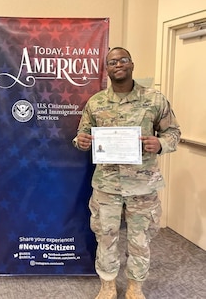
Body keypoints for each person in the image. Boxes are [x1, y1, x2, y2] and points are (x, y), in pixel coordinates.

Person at [73, 47, 181, 299]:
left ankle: (135, 285)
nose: (118, 64)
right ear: (107, 69)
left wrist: (161, 144)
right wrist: (81, 141)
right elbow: (81, 135)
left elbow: (173, 132)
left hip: (143, 186)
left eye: (123, 60)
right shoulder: (96, 102)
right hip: (107, 185)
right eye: (112, 62)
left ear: (132, 64)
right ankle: (108, 284)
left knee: (140, 239)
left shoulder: (155, 99)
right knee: (106, 236)